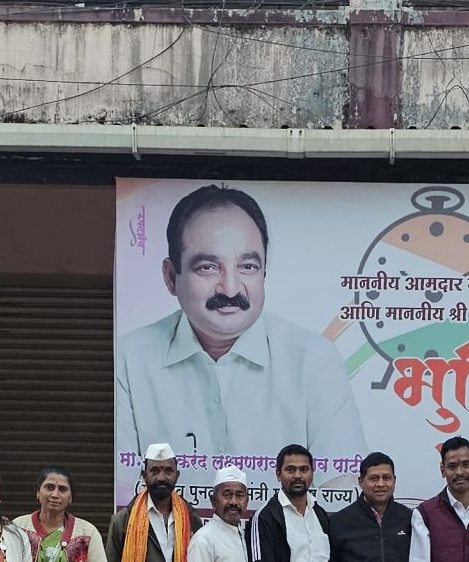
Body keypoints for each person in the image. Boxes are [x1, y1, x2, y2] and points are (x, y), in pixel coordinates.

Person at [116, 185, 363, 471]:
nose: (231, 289)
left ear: (264, 273)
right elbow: (124, 483)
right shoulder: (129, 359)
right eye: (208, 267)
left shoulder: (313, 359)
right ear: (171, 277)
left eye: (247, 267)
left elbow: (342, 480)